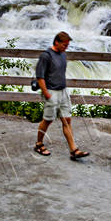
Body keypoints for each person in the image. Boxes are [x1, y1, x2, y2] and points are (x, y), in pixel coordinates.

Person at [33, 31, 89, 160]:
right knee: (47, 120)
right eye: (64, 45)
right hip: (51, 92)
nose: (66, 47)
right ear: (56, 42)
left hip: (63, 91)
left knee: (67, 120)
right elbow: (40, 77)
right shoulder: (46, 56)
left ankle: (73, 150)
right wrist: (46, 93)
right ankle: (39, 144)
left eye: (67, 45)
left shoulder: (63, 54)